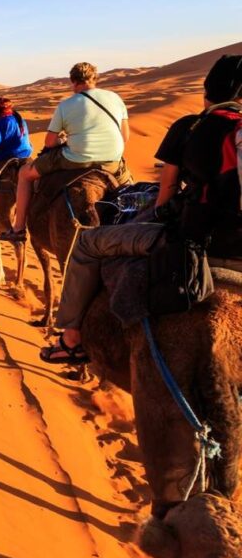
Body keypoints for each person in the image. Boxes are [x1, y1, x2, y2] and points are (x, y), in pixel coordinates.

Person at [39, 55, 242, 364]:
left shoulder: (191, 126)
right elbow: (124, 138)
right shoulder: (115, 99)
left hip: (197, 241)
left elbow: (167, 192)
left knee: (87, 244)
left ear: (208, 90)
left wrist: (161, 213)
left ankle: (71, 339)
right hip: (116, 164)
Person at [0, 62, 130, 242]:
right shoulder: (115, 98)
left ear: (73, 81)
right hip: (112, 160)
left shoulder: (66, 105)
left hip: (75, 159)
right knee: (129, 187)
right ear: (94, 79)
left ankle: (19, 227)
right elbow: (125, 136)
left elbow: (50, 142)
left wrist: (66, 140)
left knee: (24, 174)